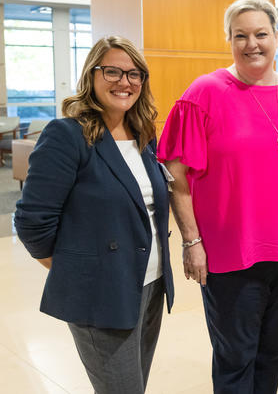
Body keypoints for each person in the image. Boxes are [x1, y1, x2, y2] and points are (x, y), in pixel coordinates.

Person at [158, 0, 278, 394]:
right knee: (236, 359)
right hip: (230, 253)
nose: (252, 44)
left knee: (273, 354)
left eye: (261, 34)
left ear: (276, 36)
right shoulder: (205, 93)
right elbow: (176, 177)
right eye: (240, 35)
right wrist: (191, 241)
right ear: (229, 40)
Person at [15, 36, 173, 394]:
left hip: (149, 283)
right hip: (101, 290)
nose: (124, 82)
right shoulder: (67, 135)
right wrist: (78, 271)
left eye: (134, 74)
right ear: (92, 75)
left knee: (135, 385)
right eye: (112, 71)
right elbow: (32, 220)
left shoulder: (144, 136)